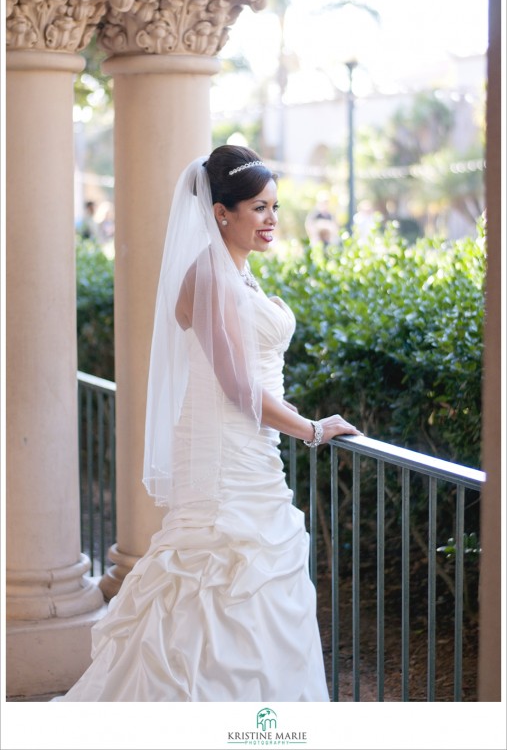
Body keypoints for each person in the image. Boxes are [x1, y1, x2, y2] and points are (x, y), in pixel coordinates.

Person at [53, 145, 362, 702]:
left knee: (248, 583)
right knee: (214, 580)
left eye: (274, 206)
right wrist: (312, 429)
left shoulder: (235, 273)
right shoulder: (212, 276)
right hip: (225, 454)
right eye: (258, 208)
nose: (272, 219)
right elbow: (239, 387)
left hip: (247, 447)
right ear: (221, 212)